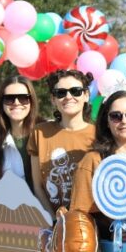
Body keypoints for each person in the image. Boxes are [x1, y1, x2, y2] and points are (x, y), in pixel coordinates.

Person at [69, 91, 126, 242]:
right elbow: (80, 216)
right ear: (106, 121)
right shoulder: (94, 161)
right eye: (116, 116)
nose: (124, 121)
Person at [27, 70, 95, 215]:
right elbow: (38, 185)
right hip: (51, 224)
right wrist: (53, 220)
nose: (68, 97)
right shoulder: (39, 133)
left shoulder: (99, 136)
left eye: (76, 91)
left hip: (89, 224)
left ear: (86, 96)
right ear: (53, 99)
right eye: (61, 93)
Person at [0, 76, 39, 185]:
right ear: (1, 104)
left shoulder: (47, 132)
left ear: (31, 101)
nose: (16, 103)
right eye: (9, 98)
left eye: (23, 98)